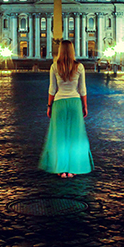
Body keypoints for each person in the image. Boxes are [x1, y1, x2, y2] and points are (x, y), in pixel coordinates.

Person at [39, 40, 94, 178]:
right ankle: (72, 169)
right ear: (72, 51)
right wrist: (85, 105)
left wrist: (49, 106)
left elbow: (52, 89)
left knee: (59, 137)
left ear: (60, 51)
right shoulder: (80, 67)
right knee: (75, 137)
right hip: (75, 102)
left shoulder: (54, 67)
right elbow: (82, 89)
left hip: (59, 103)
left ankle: (61, 169)